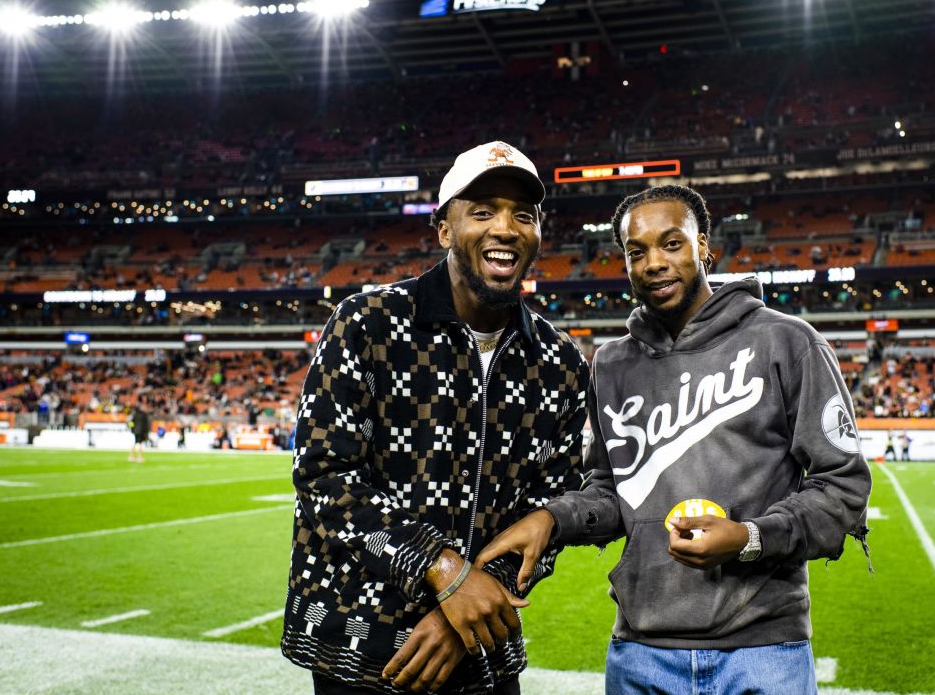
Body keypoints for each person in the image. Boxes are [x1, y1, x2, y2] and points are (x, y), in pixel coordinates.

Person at [477, 184, 872, 695]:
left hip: (764, 653)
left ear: (704, 246)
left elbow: (843, 491)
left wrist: (749, 538)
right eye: (635, 252)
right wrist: (555, 518)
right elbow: (610, 491)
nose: (653, 264)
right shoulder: (614, 363)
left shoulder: (787, 341)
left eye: (671, 244)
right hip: (640, 652)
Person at [280, 141, 591, 694]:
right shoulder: (367, 324)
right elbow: (326, 479)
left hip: (480, 650)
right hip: (362, 651)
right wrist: (446, 572)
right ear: (444, 229)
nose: (505, 227)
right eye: (482, 211)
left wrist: (467, 606)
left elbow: (552, 505)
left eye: (524, 214)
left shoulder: (559, 360)